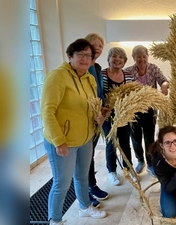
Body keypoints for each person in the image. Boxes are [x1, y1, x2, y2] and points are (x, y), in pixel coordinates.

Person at [41, 38, 108, 225]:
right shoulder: (57, 77)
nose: (85, 59)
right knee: (62, 183)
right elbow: (47, 111)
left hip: (85, 138)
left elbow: (91, 107)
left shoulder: (89, 78)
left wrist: (99, 116)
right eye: (80, 54)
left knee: (81, 177)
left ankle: (85, 207)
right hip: (64, 141)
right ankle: (55, 220)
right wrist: (58, 140)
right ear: (70, 56)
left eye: (89, 55)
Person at [124, 45, 169, 177]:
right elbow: (124, 89)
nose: (142, 59)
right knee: (136, 138)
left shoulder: (153, 68)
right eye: (139, 57)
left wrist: (165, 86)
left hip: (150, 109)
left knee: (149, 138)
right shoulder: (128, 71)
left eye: (144, 56)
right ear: (134, 58)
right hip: (134, 111)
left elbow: (163, 80)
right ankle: (140, 161)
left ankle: (150, 164)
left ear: (147, 56)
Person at [102, 47, 136, 186]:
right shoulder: (102, 75)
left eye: (121, 57)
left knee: (125, 143)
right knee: (111, 144)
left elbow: (132, 94)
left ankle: (128, 168)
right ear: (109, 59)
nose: (117, 59)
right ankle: (112, 172)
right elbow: (98, 93)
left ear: (124, 61)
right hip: (108, 115)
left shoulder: (128, 75)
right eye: (114, 56)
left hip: (124, 115)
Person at [84, 33, 108, 207]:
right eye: (95, 44)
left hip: (97, 118)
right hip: (84, 118)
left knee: (90, 156)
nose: (98, 48)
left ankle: (92, 185)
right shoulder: (82, 67)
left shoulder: (97, 67)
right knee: (83, 159)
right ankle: (84, 193)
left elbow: (98, 92)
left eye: (101, 46)